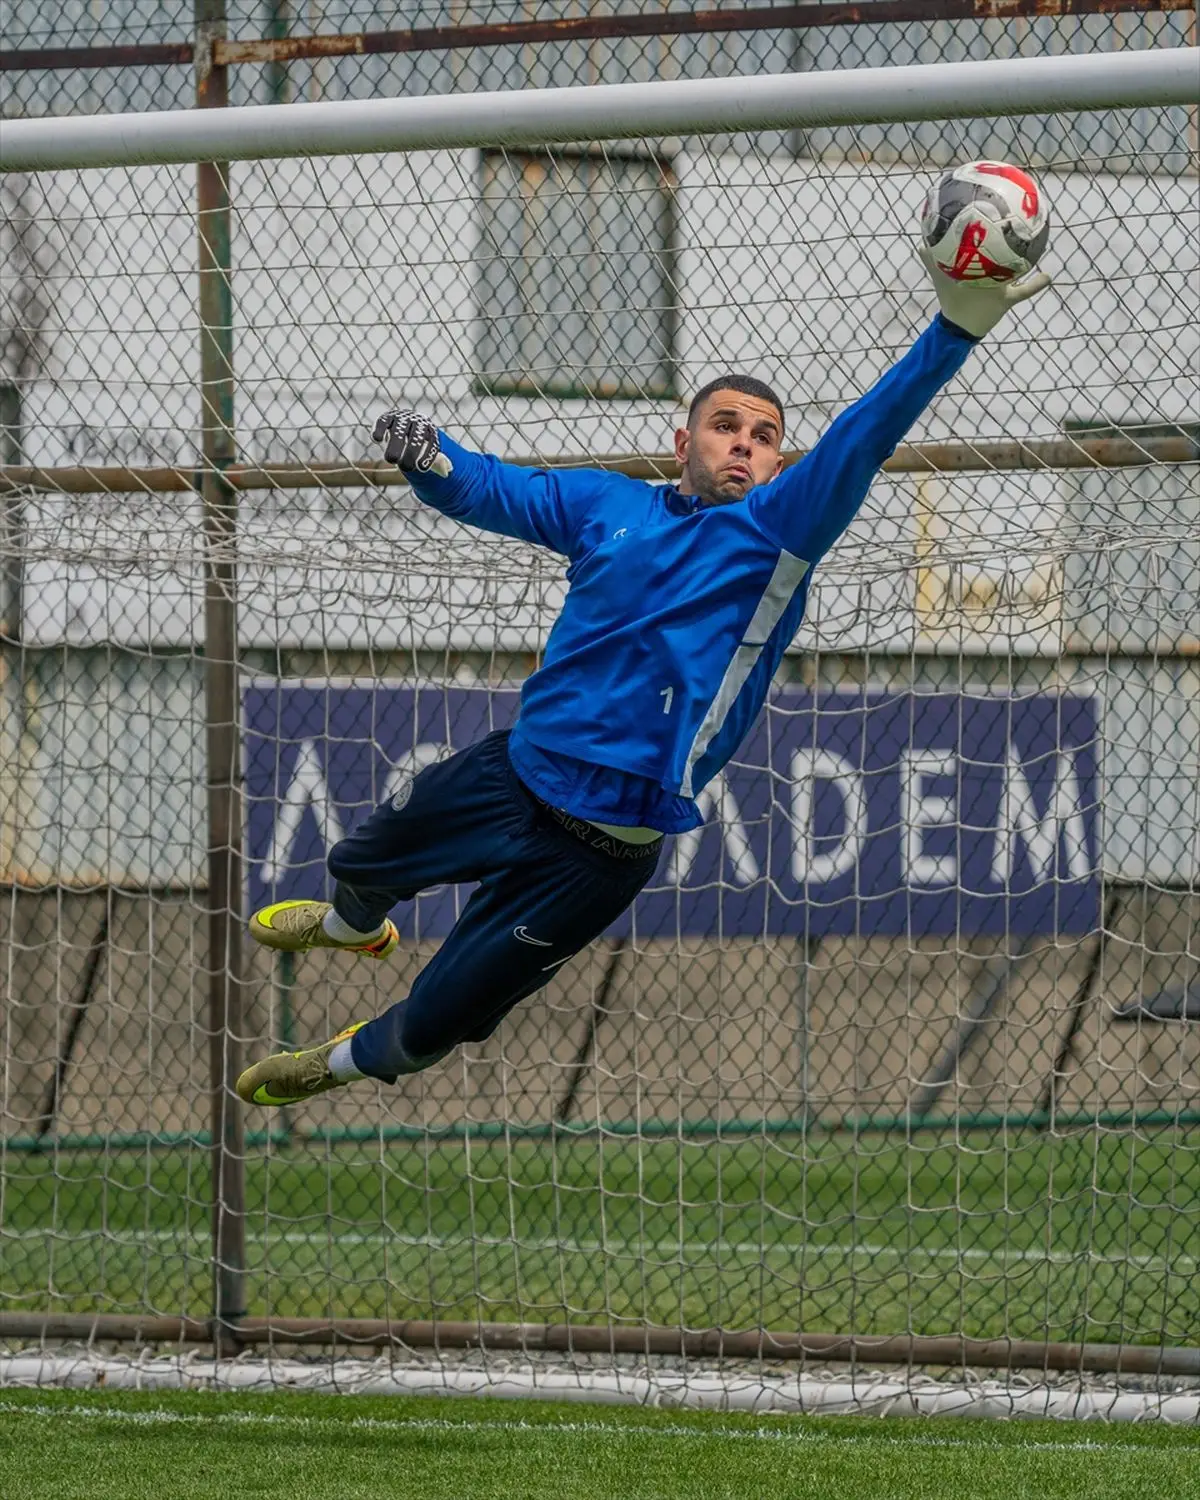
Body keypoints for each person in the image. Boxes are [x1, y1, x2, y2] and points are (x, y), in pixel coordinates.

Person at [236, 247, 1049, 1108]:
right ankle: (352, 928)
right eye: (726, 425)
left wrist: (955, 329)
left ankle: (334, 1064)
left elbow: (864, 434)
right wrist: (432, 455)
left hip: (599, 858)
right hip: (512, 777)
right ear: (683, 441)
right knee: (358, 860)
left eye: (764, 437)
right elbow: (496, 490)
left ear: (778, 464)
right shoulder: (609, 506)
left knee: (438, 1023)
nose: (744, 443)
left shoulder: (780, 533)